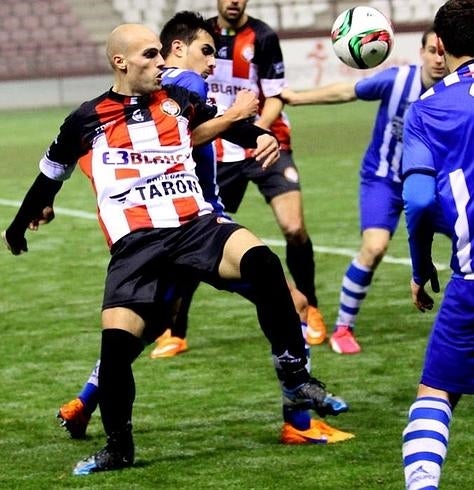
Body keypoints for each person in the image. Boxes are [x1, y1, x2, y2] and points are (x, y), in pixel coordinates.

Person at [2, 23, 348, 475]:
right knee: (116, 350)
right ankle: (118, 449)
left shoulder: (179, 98)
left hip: (194, 225)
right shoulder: (84, 120)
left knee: (263, 262)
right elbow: (50, 175)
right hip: (137, 244)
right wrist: (19, 224)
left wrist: (258, 135)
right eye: (150, 55)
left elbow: (222, 126)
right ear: (120, 62)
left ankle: (295, 378)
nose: (160, 61)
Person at [280, 27, 448, 354]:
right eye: (431, 51)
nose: (438, 59)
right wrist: (298, 98)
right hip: (383, 179)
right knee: (374, 248)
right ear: (421, 52)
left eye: (443, 52)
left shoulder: (456, 91)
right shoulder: (397, 80)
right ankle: (343, 328)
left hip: (432, 182)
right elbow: (348, 91)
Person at [200, 0, 328, 347]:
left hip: (267, 142)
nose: (233, 2)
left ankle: (310, 306)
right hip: (219, 151)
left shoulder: (263, 36)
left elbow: (275, 96)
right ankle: (175, 331)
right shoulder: (202, 36)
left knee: (294, 227)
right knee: (193, 233)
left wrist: (256, 131)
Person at [400, 1, 474, 488]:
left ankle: (423, 483)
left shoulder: (426, 110)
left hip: (471, 278)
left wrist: (421, 264)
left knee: (436, 392)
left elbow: (420, 199)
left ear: (441, 47)